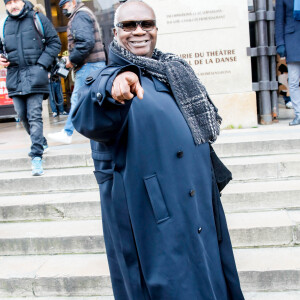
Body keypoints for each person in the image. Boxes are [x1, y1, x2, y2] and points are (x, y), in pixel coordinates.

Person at [71, 1, 245, 299]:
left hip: (198, 205)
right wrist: (114, 84)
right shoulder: (110, 77)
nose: (138, 31)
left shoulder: (171, 70)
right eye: (129, 26)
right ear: (115, 32)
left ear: (155, 29)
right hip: (154, 220)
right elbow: (89, 117)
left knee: (212, 282)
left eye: (146, 24)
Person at [0, 0, 61, 175]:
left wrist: (41, 65)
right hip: (14, 76)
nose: (13, 5)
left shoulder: (37, 18)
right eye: (9, 2)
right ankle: (40, 141)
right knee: (22, 115)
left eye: (15, 1)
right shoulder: (3, 24)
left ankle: (36, 156)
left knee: (34, 116)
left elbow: (54, 43)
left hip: (35, 75)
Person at [47, 0, 106, 144]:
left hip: (89, 65)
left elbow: (85, 42)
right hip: (92, 64)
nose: (62, 10)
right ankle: (103, 133)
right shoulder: (82, 14)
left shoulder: (80, 15)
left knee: (78, 100)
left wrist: (71, 60)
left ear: (73, 2)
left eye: (64, 6)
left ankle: (67, 133)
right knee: (94, 101)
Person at [275, 0, 300, 125]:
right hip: (292, 40)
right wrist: (280, 43)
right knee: (294, 81)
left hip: (293, 39)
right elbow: (279, 21)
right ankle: (299, 114)